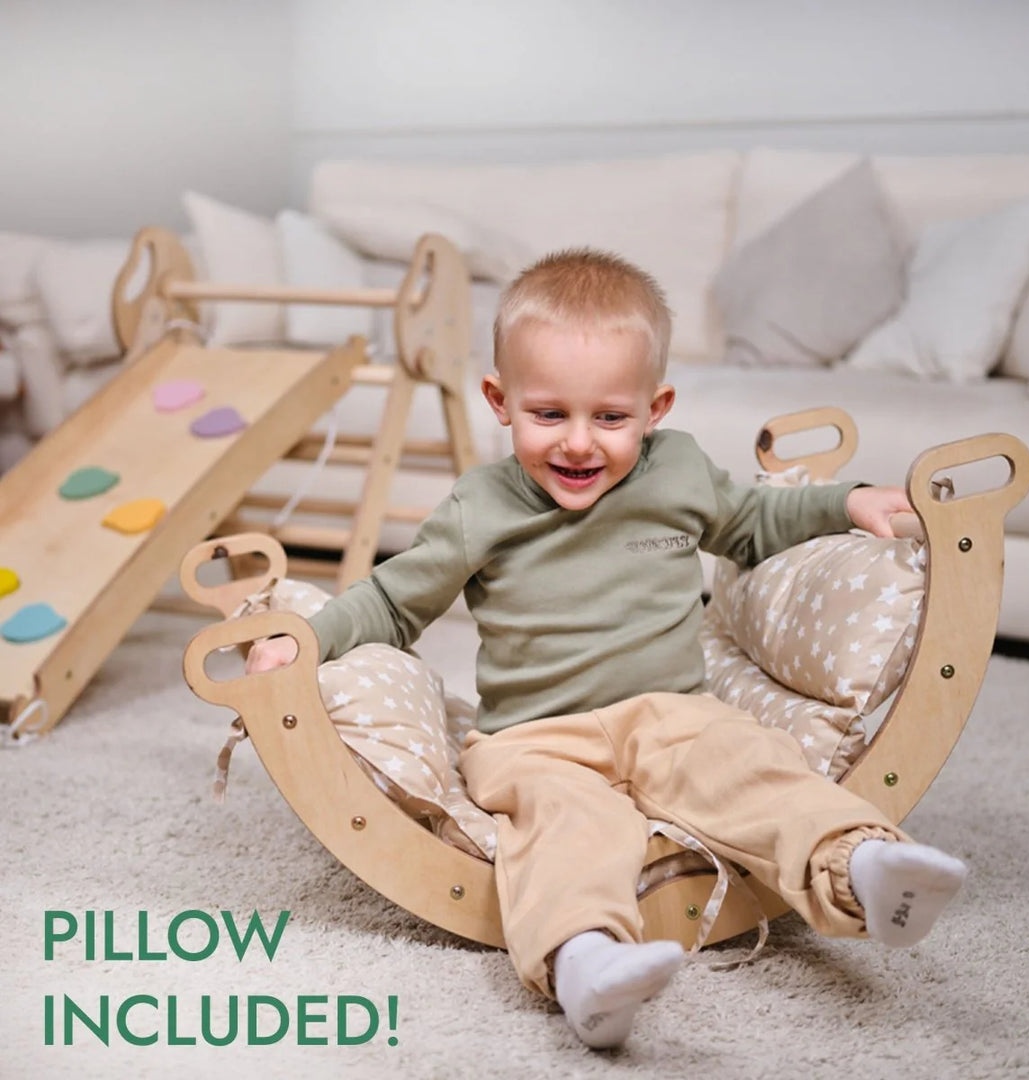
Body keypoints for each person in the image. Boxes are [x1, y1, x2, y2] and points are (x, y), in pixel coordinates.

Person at [246, 249, 968, 1049]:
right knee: (564, 825)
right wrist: (307, 638)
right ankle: (585, 960)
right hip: (533, 739)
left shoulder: (680, 471)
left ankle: (860, 866)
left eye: (611, 418)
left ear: (655, 407)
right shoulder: (478, 507)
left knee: (752, 765)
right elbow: (392, 599)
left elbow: (755, 524)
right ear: (500, 400)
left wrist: (847, 500)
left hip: (672, 713)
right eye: (549, 415)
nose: (580, 445)